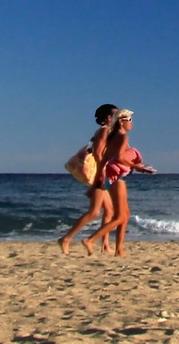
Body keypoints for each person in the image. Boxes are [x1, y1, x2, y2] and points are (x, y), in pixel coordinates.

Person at [86, 109, 153, 256]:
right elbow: (119, 158)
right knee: (120, 216)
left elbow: (104, 159)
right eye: (129, 120)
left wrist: (98, 180)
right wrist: (139, 167)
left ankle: (119, 249)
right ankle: (91, 240)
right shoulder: (122, 138)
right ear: (121, 122)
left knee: (125, 214)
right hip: (116, 178)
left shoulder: (112, 137)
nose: (131, 123)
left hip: (109, 177)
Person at [58, 104, 121, 255]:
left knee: (110, 210)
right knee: (94, 212)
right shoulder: (104, 131)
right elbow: (98, 153)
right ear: (108, 118)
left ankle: (105, 244)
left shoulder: (107, 131)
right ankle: (66, 238)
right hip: (100, 173)